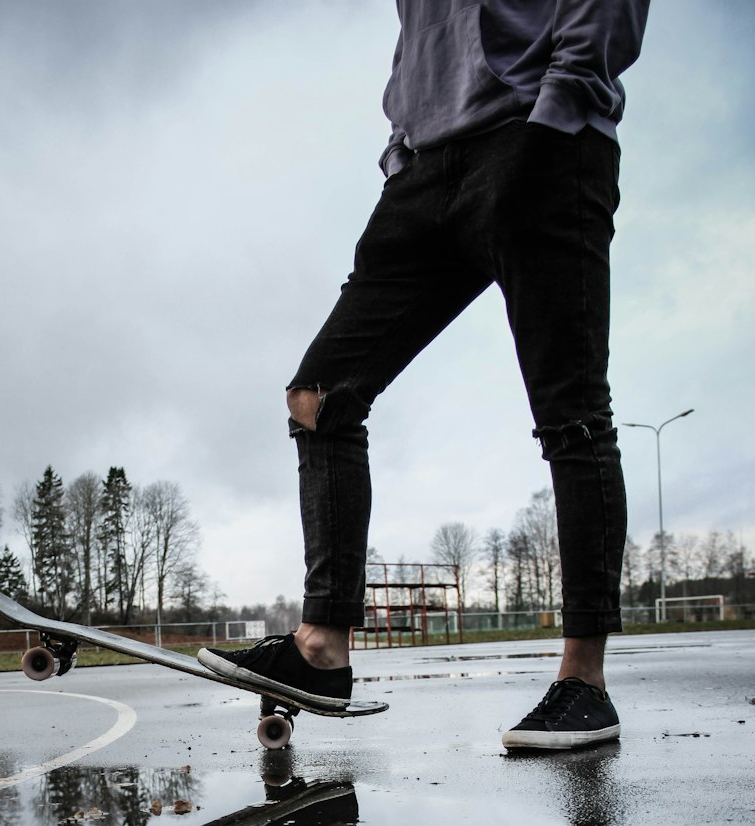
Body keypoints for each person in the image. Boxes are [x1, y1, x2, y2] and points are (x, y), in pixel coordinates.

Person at [201, 1, 651, 751]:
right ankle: (321, 648)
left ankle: (584, 681)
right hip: (424, 169)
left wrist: (558, 111)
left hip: (542, 137)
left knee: (570, 412)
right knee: (321, 396)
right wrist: (400, 152)